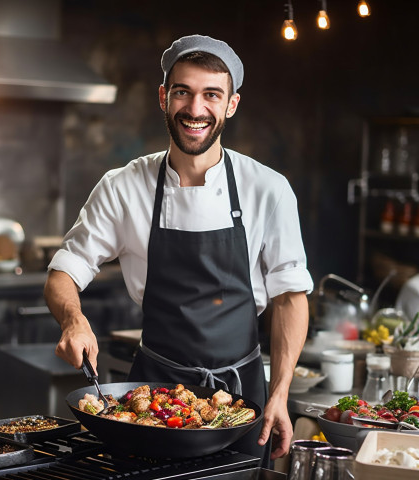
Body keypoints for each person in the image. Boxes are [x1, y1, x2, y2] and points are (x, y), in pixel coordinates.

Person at [44, 34, 313, 466]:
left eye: (211, 94)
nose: (195, 108)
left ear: (231, 105)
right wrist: (73, 320)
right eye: (182, 92)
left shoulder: (268, 189)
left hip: (241, 401)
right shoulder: (123, 186)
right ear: (163, 97)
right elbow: (65, 271)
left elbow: (289, 296)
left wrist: (279, 392)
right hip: (151, 396)